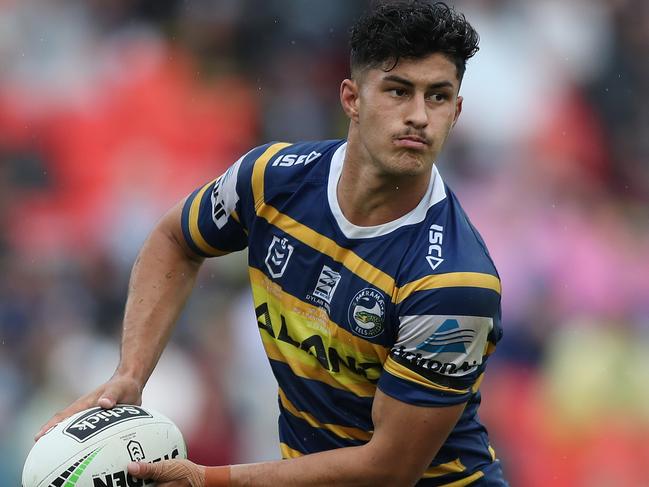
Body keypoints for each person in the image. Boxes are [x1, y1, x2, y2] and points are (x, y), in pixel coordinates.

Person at [36, 1, 508, 485]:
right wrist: (131, 375)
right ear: (351, 98)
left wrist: (209, 480)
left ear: (457, 111)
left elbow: (388, 469)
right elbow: (174, 240)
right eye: (398, 91)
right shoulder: (271, 180)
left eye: (438, 96)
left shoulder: (454, 281)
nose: (418, 116)